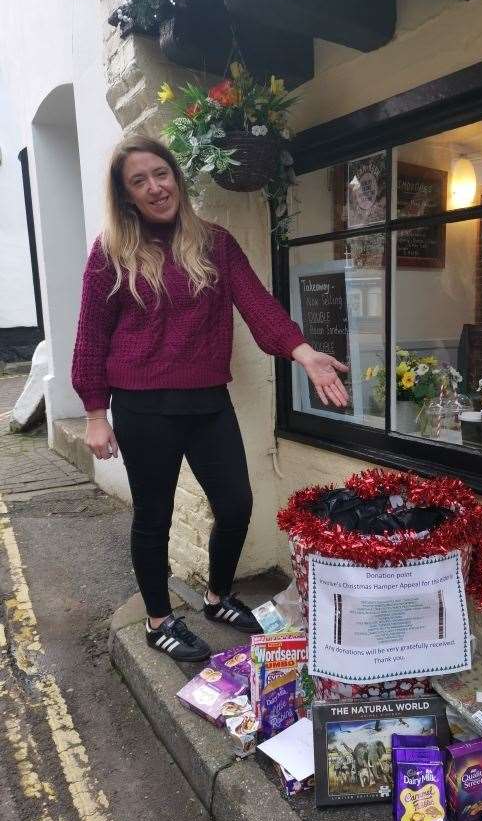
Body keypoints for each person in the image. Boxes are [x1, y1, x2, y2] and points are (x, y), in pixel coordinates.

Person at [71, 134, 348, 662]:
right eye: (139, 181)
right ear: (126, 195)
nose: (155, 187)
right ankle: (158, 620)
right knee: (154, 515)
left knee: (237, 503)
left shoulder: (214, 242)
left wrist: (303, 352)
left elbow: (258, 306)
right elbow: (92, 336)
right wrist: (94, 413)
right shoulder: (111, 253)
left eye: (161, 174)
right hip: (143, 407)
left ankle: (219, 596)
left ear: (175, 176)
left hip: (206, 402)